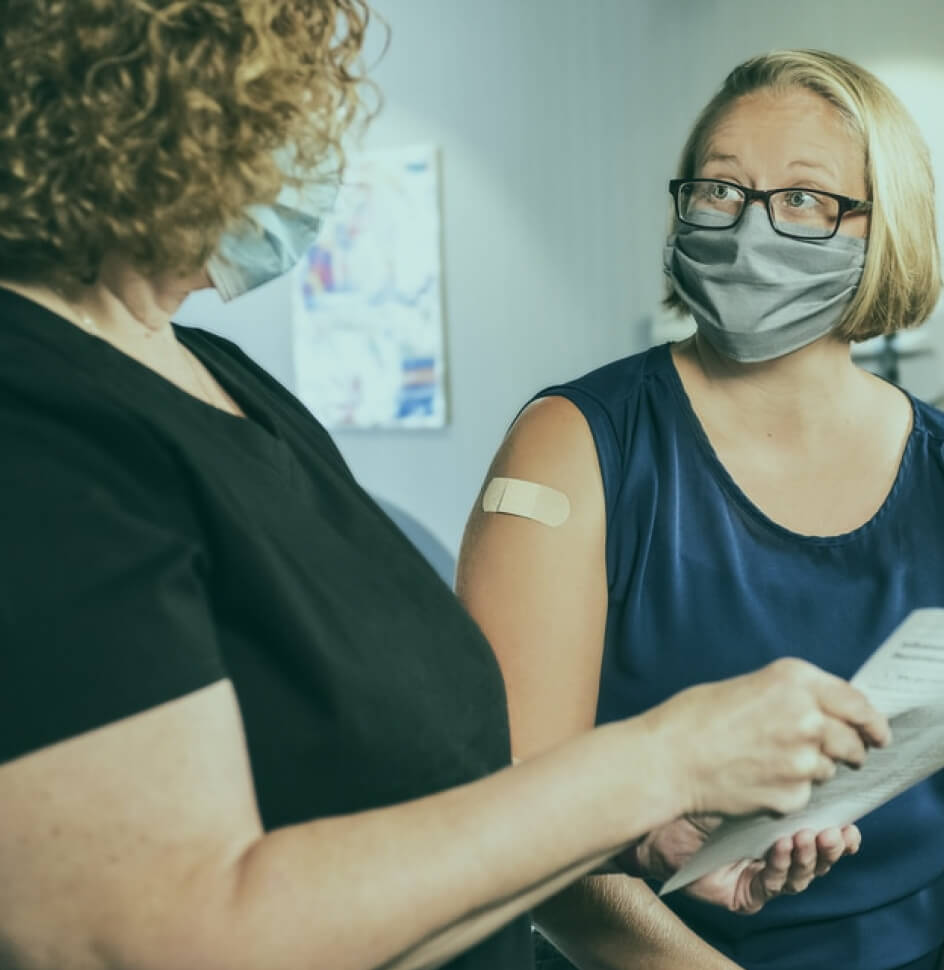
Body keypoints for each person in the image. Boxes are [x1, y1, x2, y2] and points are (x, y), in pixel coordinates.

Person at [0, 11, 891, 969]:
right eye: (288, 98)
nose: (315, 139)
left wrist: (638, 834)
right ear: (142, 111)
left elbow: (383, 778)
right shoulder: (37, 427)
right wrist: (661, 759)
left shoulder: (219, 377)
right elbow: (159, 935)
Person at [457, 49, 944, 970]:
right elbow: (510, 818)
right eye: (721, 189)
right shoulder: (574, 445)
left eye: (804, 197)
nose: (749, 228)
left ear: (888, 229)